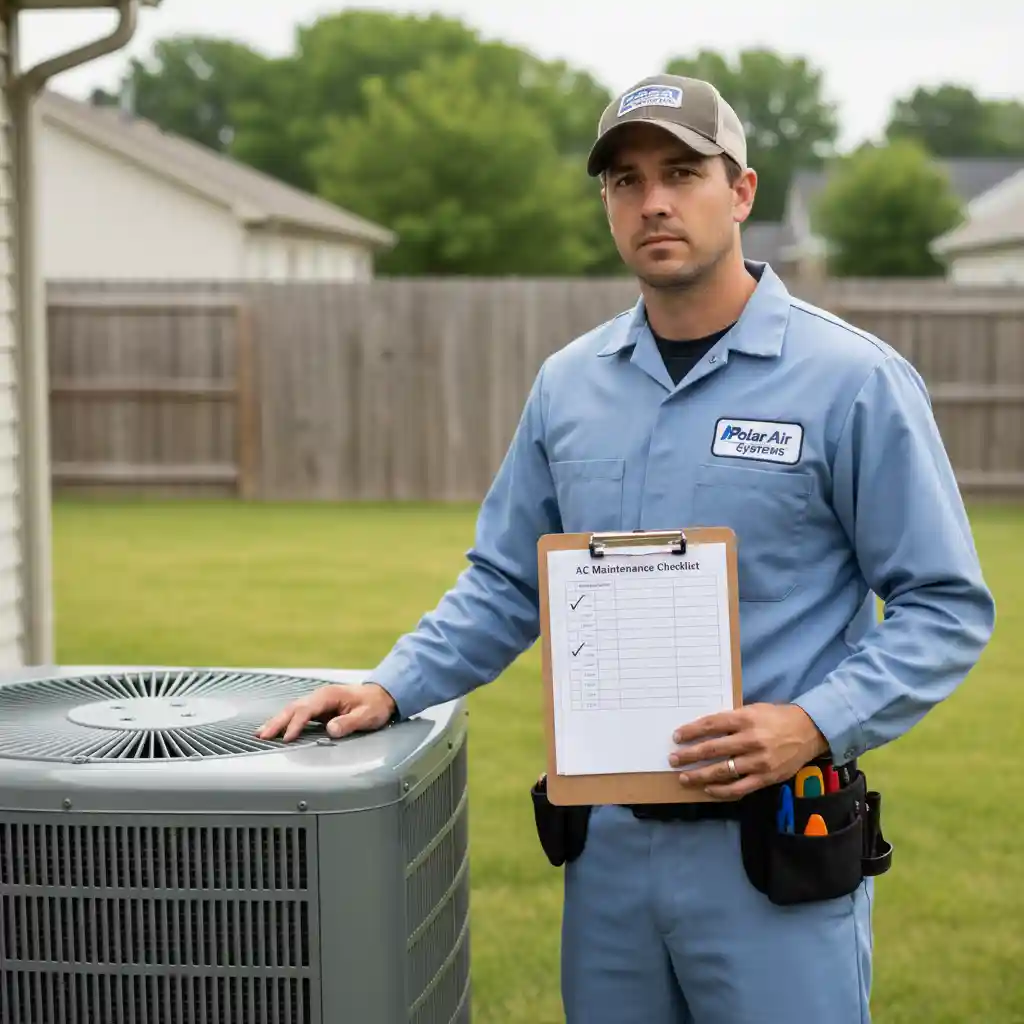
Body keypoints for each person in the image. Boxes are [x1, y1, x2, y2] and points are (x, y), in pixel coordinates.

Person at [257, 74, 996, 1023]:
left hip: (773, 848)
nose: (652, 200)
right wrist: (391, 685)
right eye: (624, 179)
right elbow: (504, 582)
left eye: (683, 172)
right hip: (606, 861)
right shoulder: (570, 387)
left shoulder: (853, 382)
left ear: (741, 192)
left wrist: (812, 722)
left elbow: (944, 606)